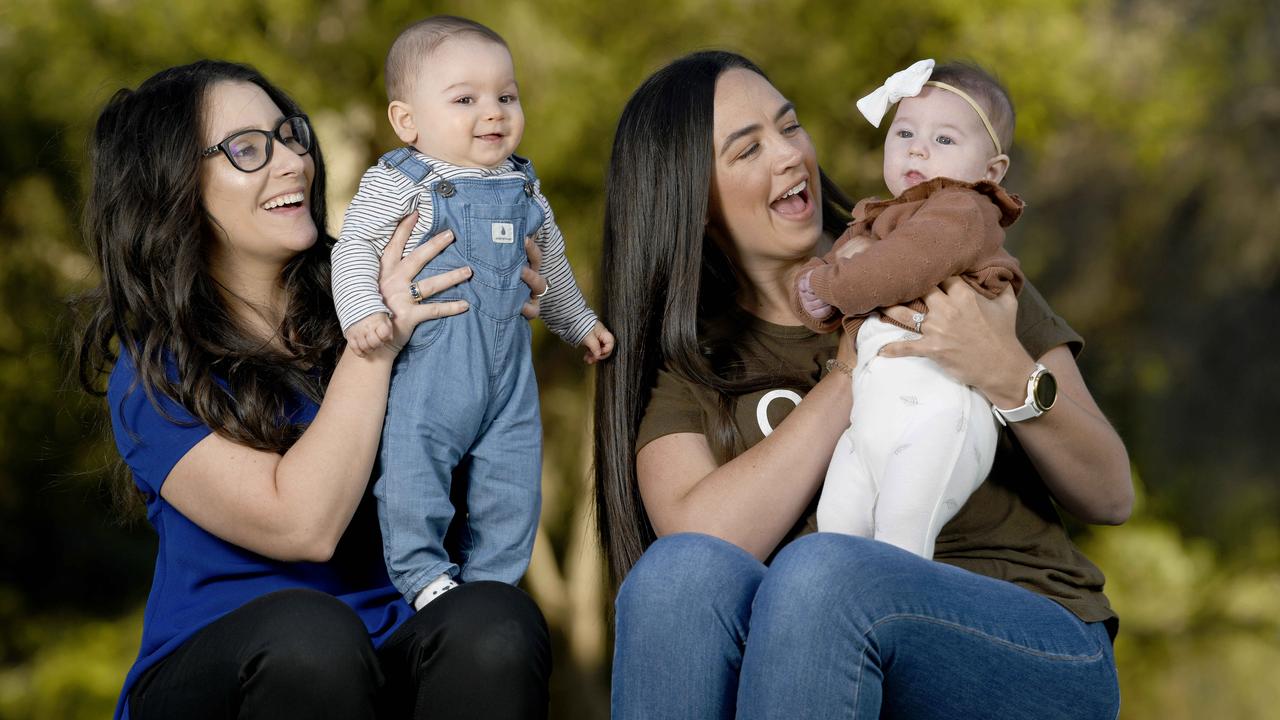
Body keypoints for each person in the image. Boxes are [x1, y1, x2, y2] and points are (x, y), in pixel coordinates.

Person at [594, 50, 1133, 719]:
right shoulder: (696, 366)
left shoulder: (949, 265)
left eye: (789, 128)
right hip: (819, 659)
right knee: (681, 577)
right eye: (748, 149)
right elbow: (698, 550)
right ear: (691, 201)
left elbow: (1111, 493)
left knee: (822, 574)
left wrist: (1004, 370)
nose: (790, 156)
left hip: (1029, 643)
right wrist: (853, 363)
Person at [73, 59, 550, 720]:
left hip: (392, 646)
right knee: (311, 637)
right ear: (174, 185)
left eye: (290, 134)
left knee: (493, 618)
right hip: (225, 674)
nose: (294, 160)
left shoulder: (379, 290)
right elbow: (303, 524)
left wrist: (488, 324)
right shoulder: (153, 373)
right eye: (247, 149)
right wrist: (374, 342)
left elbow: (463, 498)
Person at [331, 15, 614, 610]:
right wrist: (361, 311)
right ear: (407, 120)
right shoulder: (400, 181)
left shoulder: (524, 186)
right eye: (466, 99)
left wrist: (577, 322)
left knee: (513, 480)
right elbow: (355, 245)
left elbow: (551, 264)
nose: (494, 112)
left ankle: (492, 584)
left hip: (508, 373)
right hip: (432, 365)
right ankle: (421, 571)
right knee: (413, 468)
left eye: (506, 97)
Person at [791, 58, 1028, 559]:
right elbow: (843, 295)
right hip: (872, 417)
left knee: (901, 538)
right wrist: (817, 295)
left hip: (939, 413)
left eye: (944, 140)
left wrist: (831, 280)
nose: (917, 148)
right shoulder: (876, 221)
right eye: (904, 132)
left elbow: (896, 269)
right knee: (833, 539)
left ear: (991, 170)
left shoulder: (963, 210)